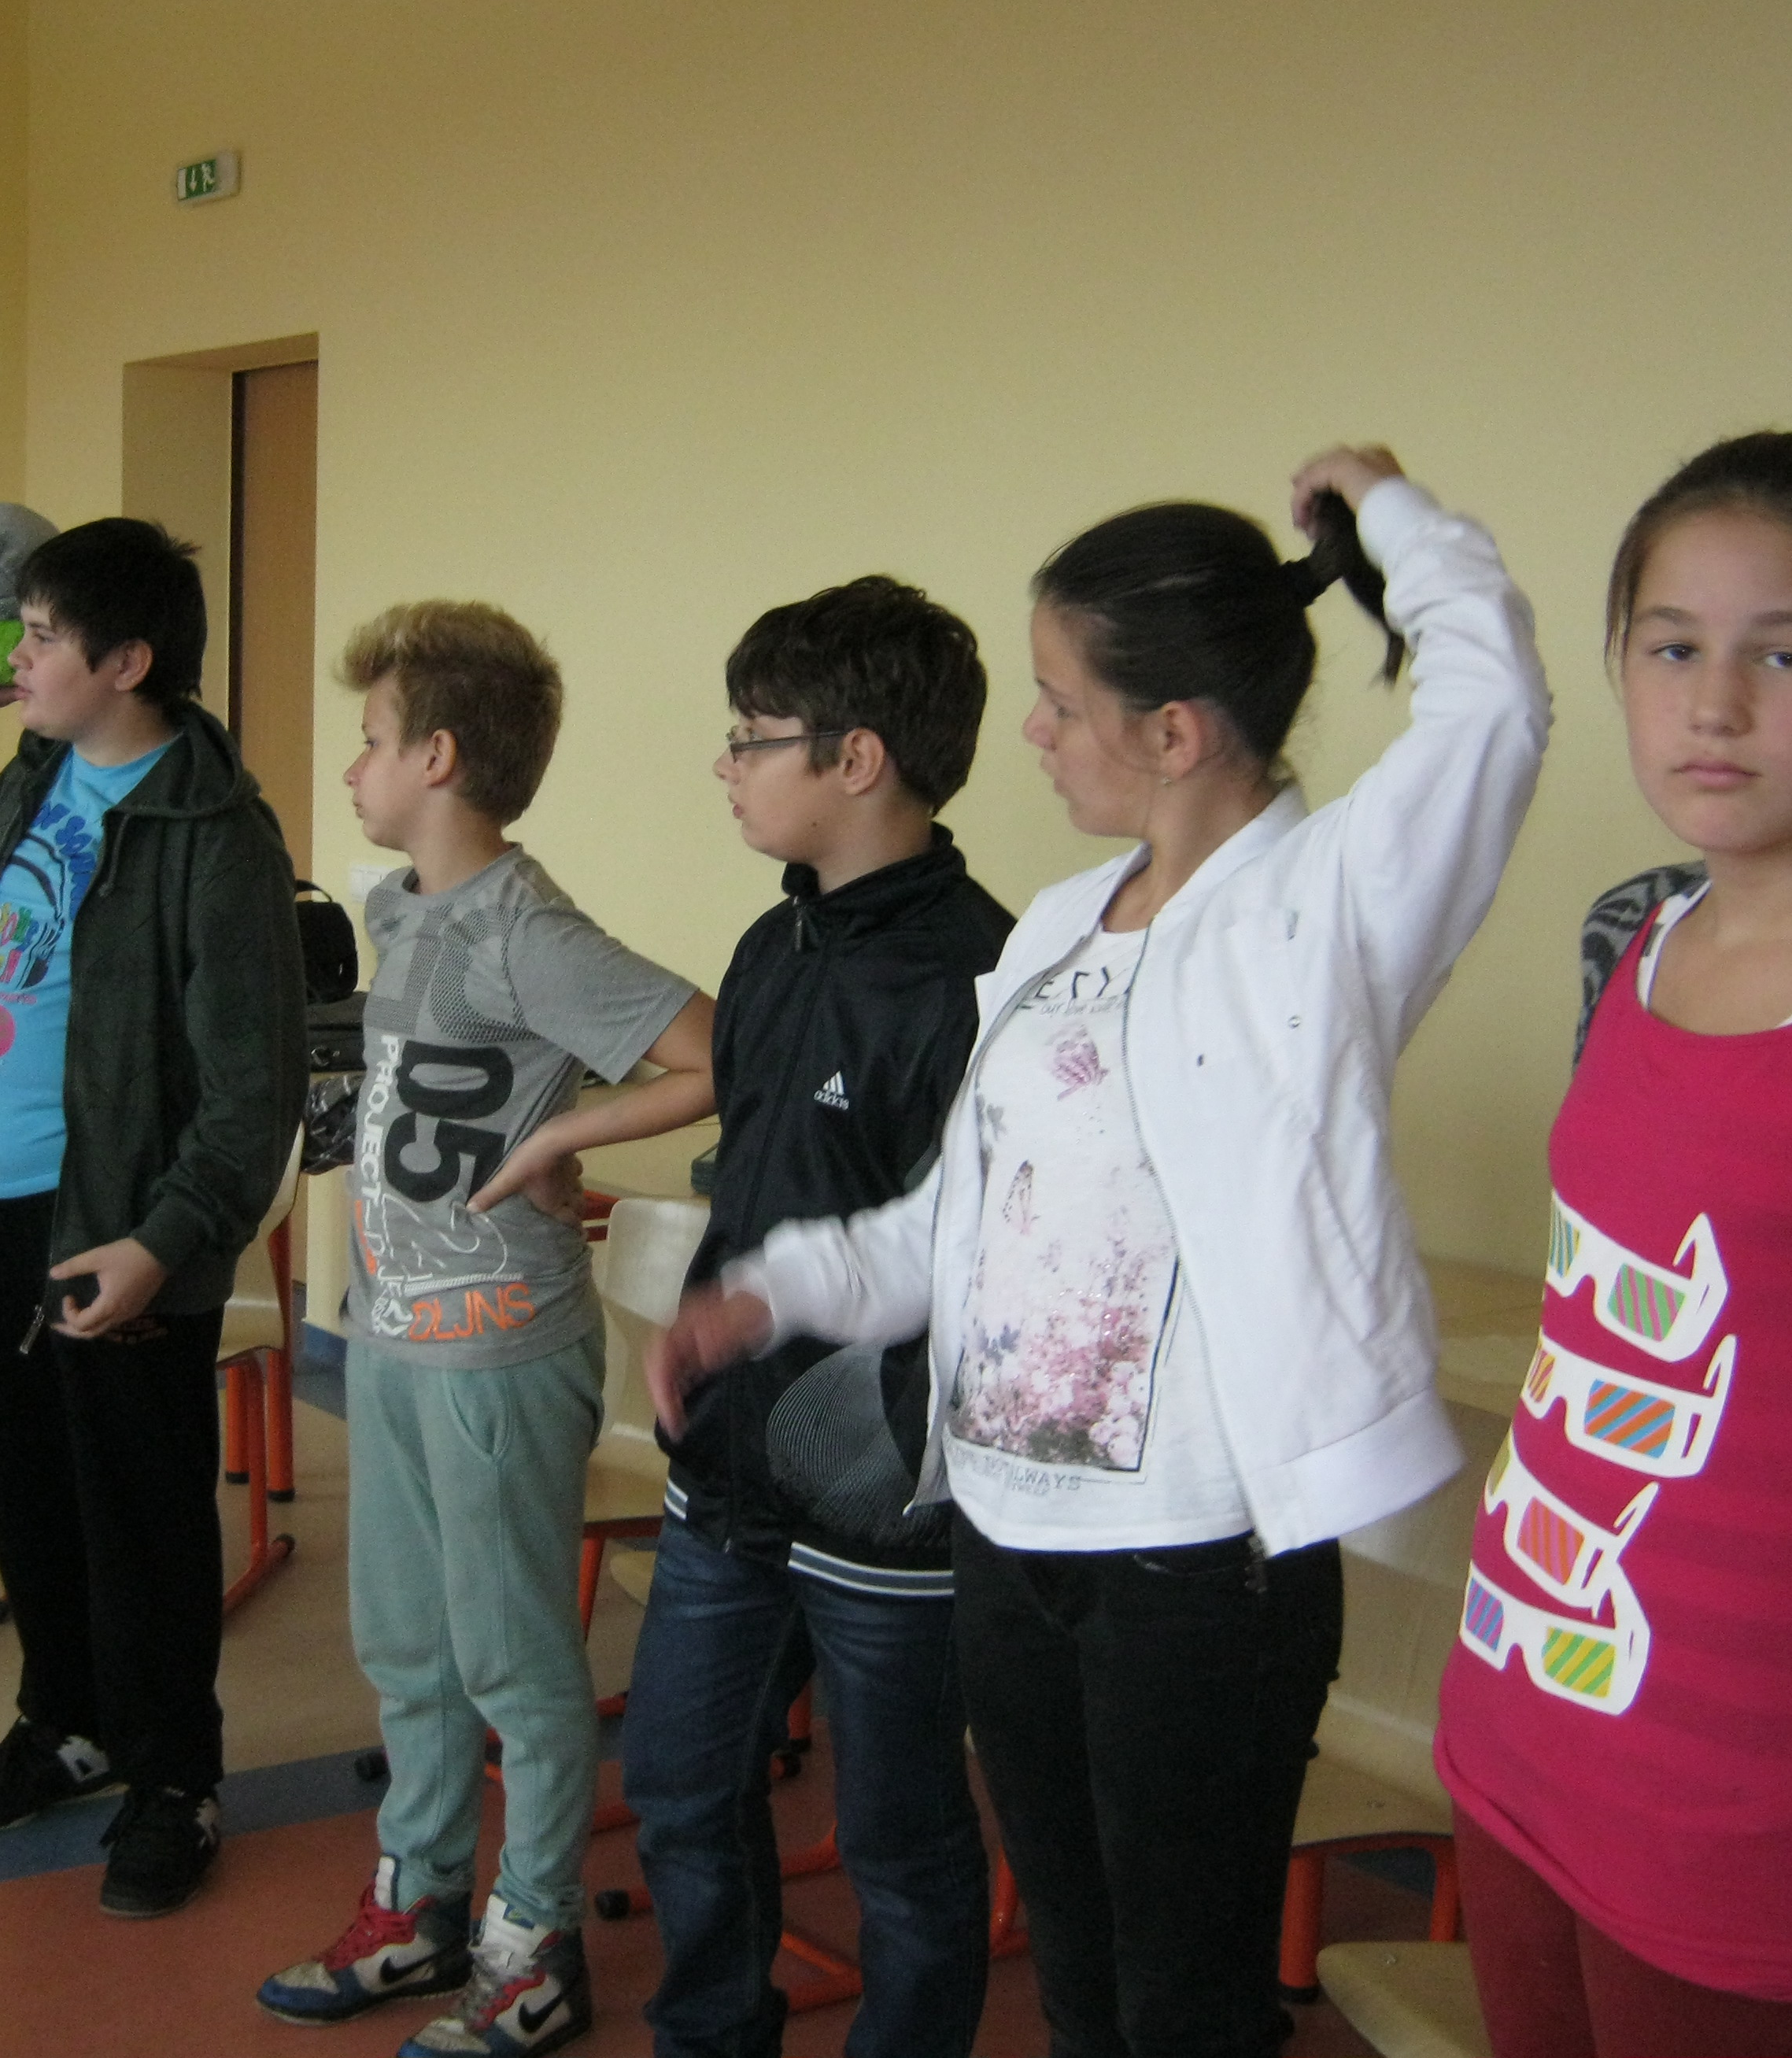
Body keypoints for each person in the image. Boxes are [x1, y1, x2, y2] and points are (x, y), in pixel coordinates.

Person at [654, 449, 1550, 2058]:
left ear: (1175, 732)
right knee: (1074, 1975)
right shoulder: (1059, 926)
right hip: (1009, 1539)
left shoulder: (1317, 912)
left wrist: (1390, 517)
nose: (1033, 732)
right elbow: (959, 1215)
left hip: (1196, 1568)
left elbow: (1491, 708)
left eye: (1062, 702)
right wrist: (773, 1291)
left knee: (1181, 2000)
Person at [1435, 432, 1792, 2057]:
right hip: (1525, 1717)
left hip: (1772, 1810)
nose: (1712, 705)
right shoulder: (1632, 929)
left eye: (1781, 656)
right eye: (1670, 649)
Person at [257, 600, 714, 2056]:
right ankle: (422, 1900)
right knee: (406, 1643)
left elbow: (712, 1054)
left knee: (514, 1659)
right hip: (393, 1337)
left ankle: (535, 1944)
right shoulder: (400, 909)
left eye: (371, 741)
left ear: (439, 757)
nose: (353, 768)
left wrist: (561, 1137)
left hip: (499, 1349)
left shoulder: (528, 928)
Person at [622, 576, 1013, 2058]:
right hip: (724, 1465)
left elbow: (964, 1265)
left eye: (751, 736)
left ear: (857, 759)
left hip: (882, 1496)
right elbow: (755, 1194)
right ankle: (710, 2034)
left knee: (900, 1845)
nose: (724, 765)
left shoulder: (980, 978)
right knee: (677, 1784)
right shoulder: (767, 949)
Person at [0, 515, 304, 1919]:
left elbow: (251, 1096)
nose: (19, 657)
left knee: (141, 1520)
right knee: (28, 1490)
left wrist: (161, 1243)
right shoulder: (36, 776)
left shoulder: (215, 836)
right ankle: (65, 1719)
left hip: (119, 1229)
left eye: (43, 637)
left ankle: (174, 1777)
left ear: (127, 661)